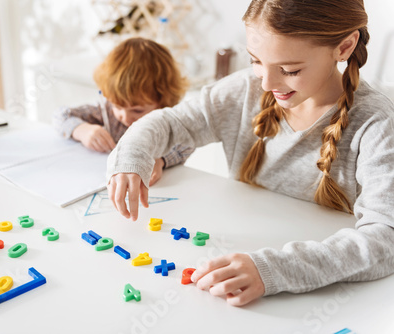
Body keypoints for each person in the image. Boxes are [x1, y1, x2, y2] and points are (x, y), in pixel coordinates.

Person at [106, 0, 394, 306]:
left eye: (289, 69)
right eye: (255, 60)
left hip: (329, 300)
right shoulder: (245, 89)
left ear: (344, 47)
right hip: (237, 258)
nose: (267, 83)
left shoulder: (377, 122)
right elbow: (171, 122)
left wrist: (276, 269)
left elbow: (385, 238)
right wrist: (132, 157)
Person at [53, 37, 192, 186]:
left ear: (162, 100)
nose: (125, 117)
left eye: (137, 110)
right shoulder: (106, 111)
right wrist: (81, 130)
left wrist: (161, 160)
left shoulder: (168, 118)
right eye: (118, 106)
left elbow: (188, 141)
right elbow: (61, 115)